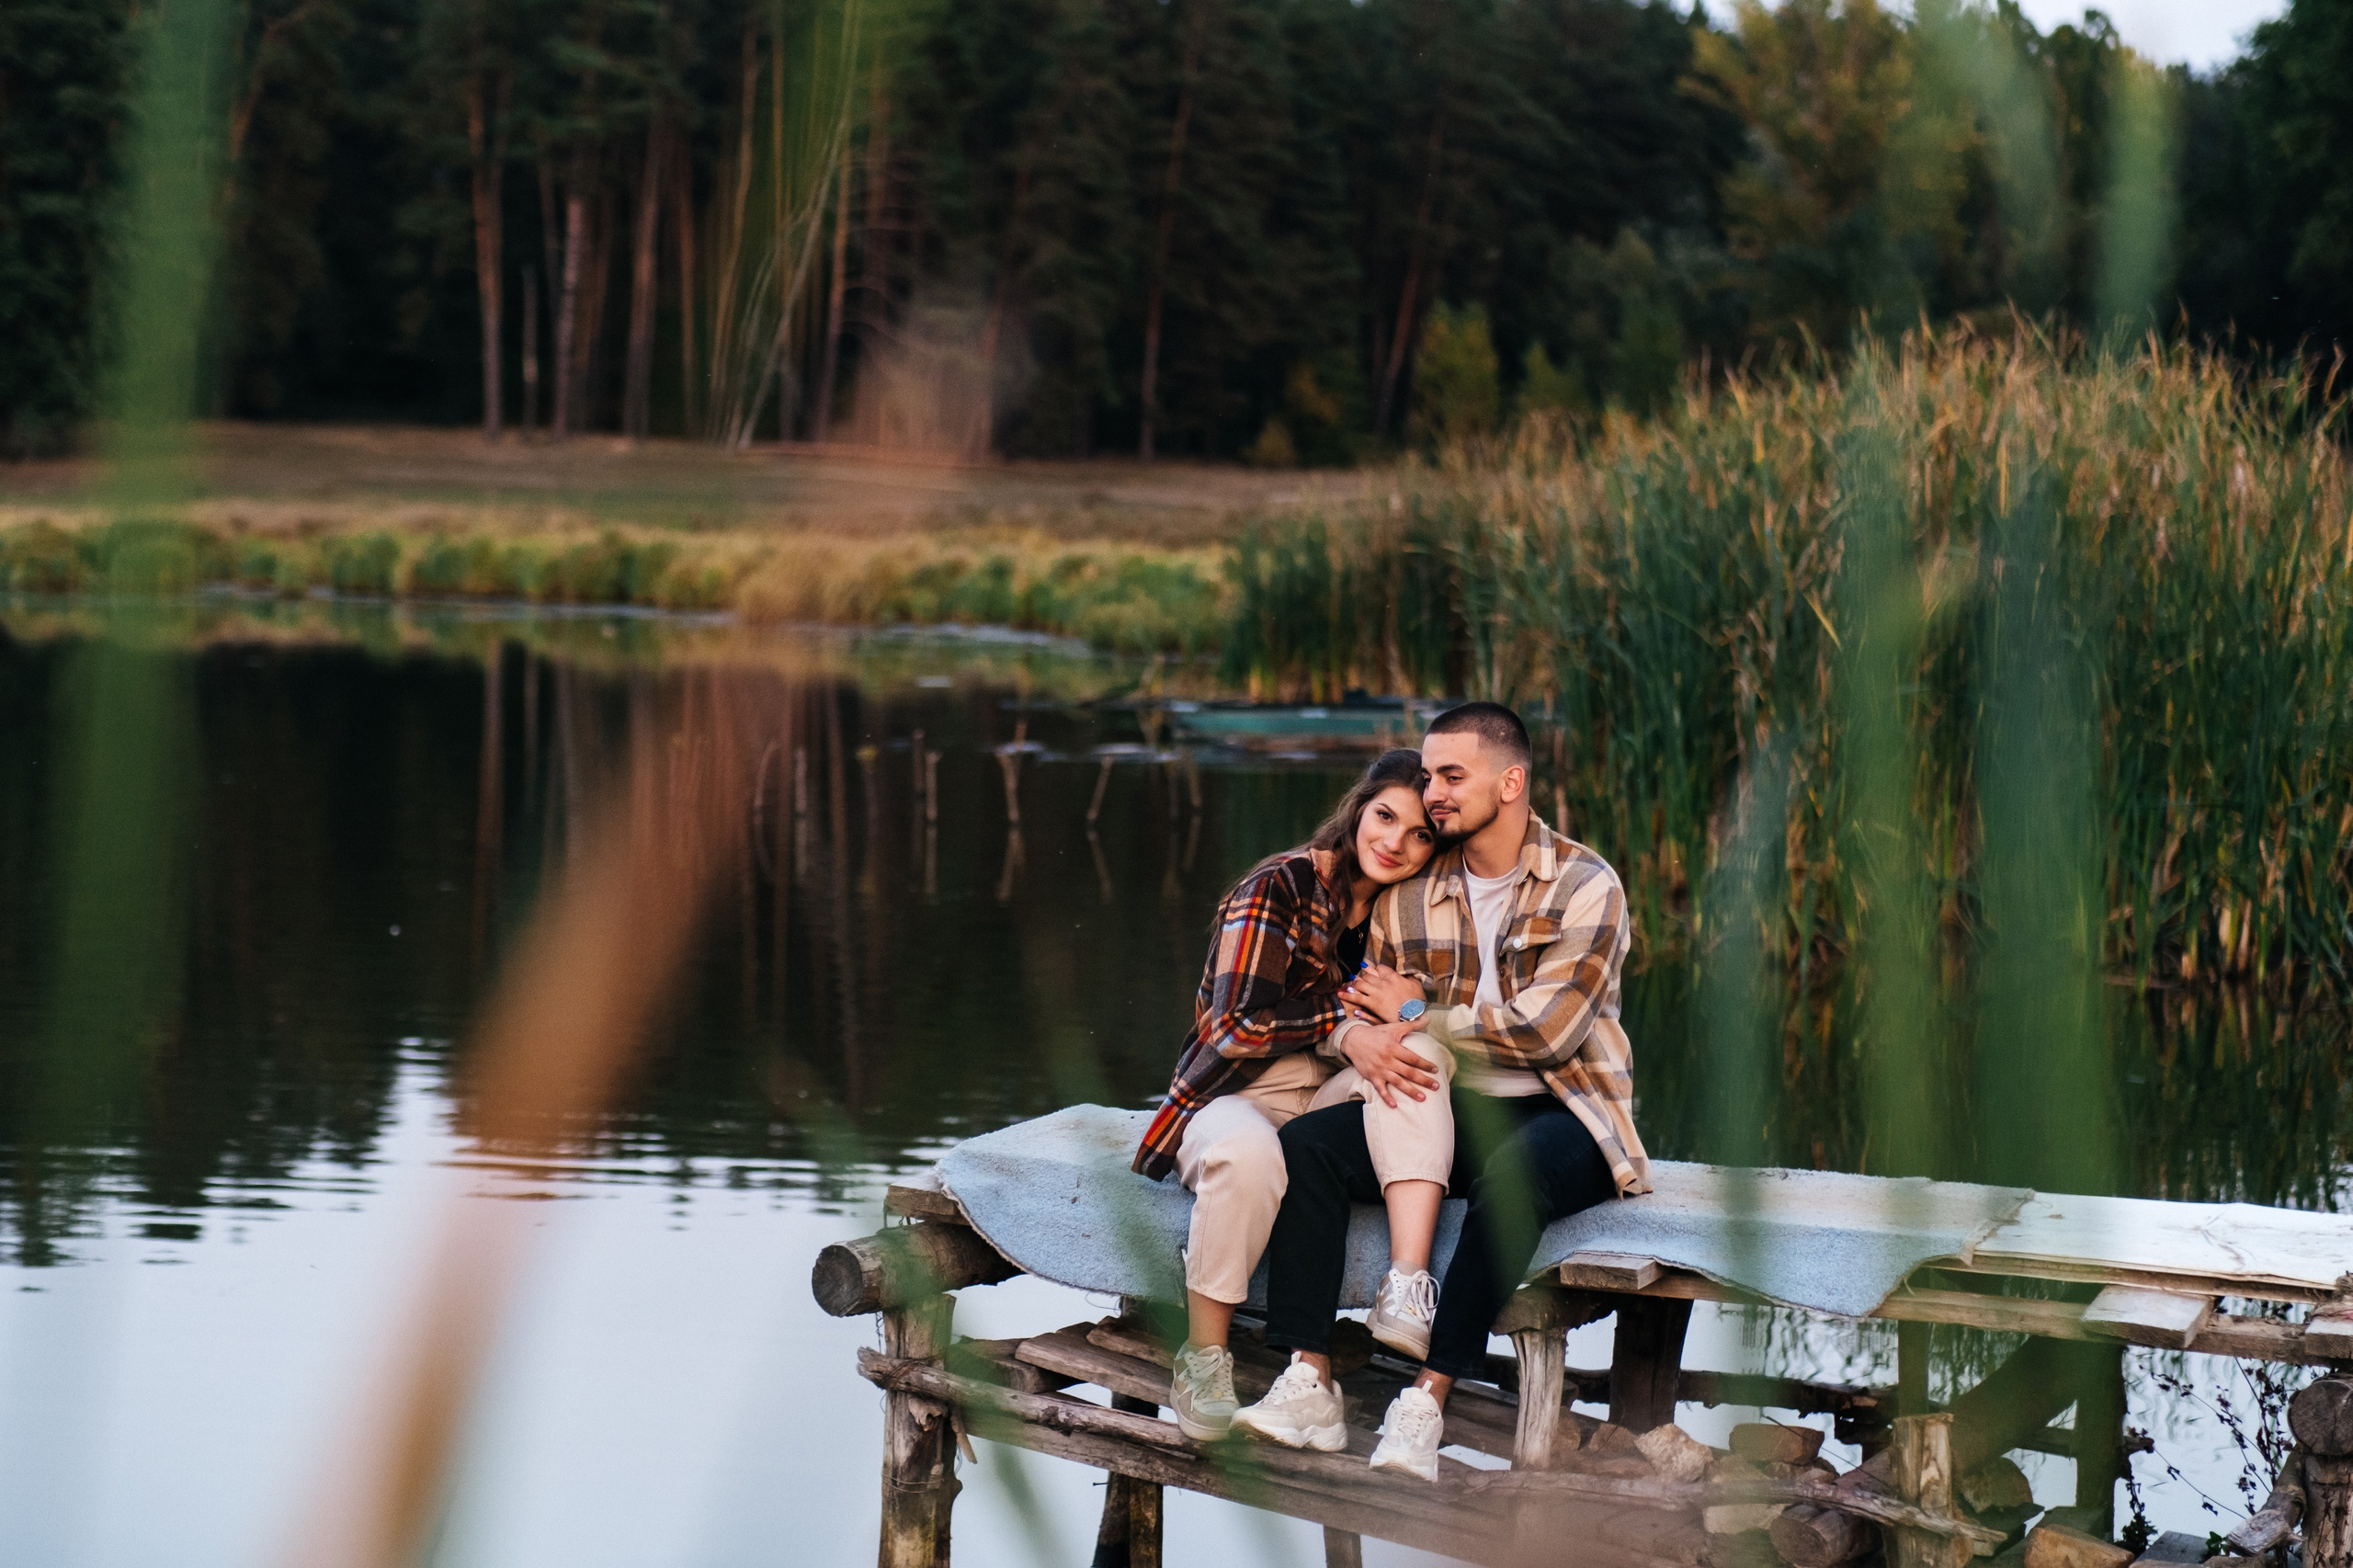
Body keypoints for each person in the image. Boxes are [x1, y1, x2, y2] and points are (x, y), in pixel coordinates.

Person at [1228, 701, 1652, 1482]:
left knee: (1514, 1177)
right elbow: (1369, 1013)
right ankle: (1309, 1378)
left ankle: (1427, 1399)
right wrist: (1380, 1027)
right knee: (1307, 1149)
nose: (1433, 795)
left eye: (1452, 777)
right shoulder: (1410, 894)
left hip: (1567, 1108)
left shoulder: (1587, 885)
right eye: (1428, 777)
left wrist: (1420, 1014)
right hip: (1445, 1101)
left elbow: (1546, 1035)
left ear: (1511, 783)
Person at [1131, 747, 1454, 1443]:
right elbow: (1232, 1027)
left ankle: (1406, 1285)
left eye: (1420, 834)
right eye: (1385, 817)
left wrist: (1405, 1014)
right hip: (1241, 1092)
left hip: (1327, 1095)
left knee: (1421, 1056)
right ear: (1358, 809)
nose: (1395, 843)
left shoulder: (1406, 911)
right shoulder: (1279, 885)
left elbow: (1414, 1015)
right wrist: (1346, 1029)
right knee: (1249, 1155)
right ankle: (1204, 1357)